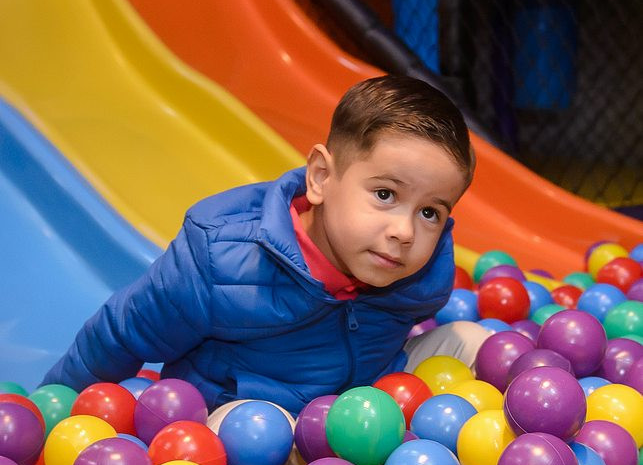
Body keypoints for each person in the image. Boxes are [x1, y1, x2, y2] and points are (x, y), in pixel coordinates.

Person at [42, 75, 484, 415]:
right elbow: (121, 332)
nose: (405, 232)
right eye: (385, 194)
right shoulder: (220, 259)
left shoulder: (423, 273)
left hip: (367, 409)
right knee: (261, 435)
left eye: (430, 213)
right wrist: (54, 411)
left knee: (473, 341)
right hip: (246, 424)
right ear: (321, 178)